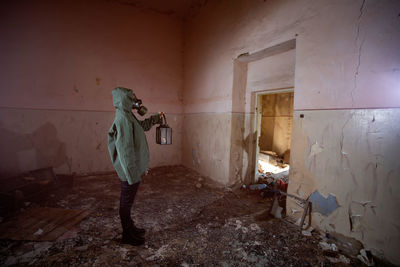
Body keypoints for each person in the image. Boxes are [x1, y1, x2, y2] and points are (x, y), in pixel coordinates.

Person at [107, 87, 162, 246]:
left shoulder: (128, 115)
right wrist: (132, 175)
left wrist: (155, 118)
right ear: (124, 101)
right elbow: (125, 151)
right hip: (129, 170)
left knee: (128, 202)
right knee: (125, 203)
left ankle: (130, 228)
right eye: (131, 100)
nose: (134, 102)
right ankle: (127, 235)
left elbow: (142, 127)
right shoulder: (123, 118)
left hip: (133, 168)